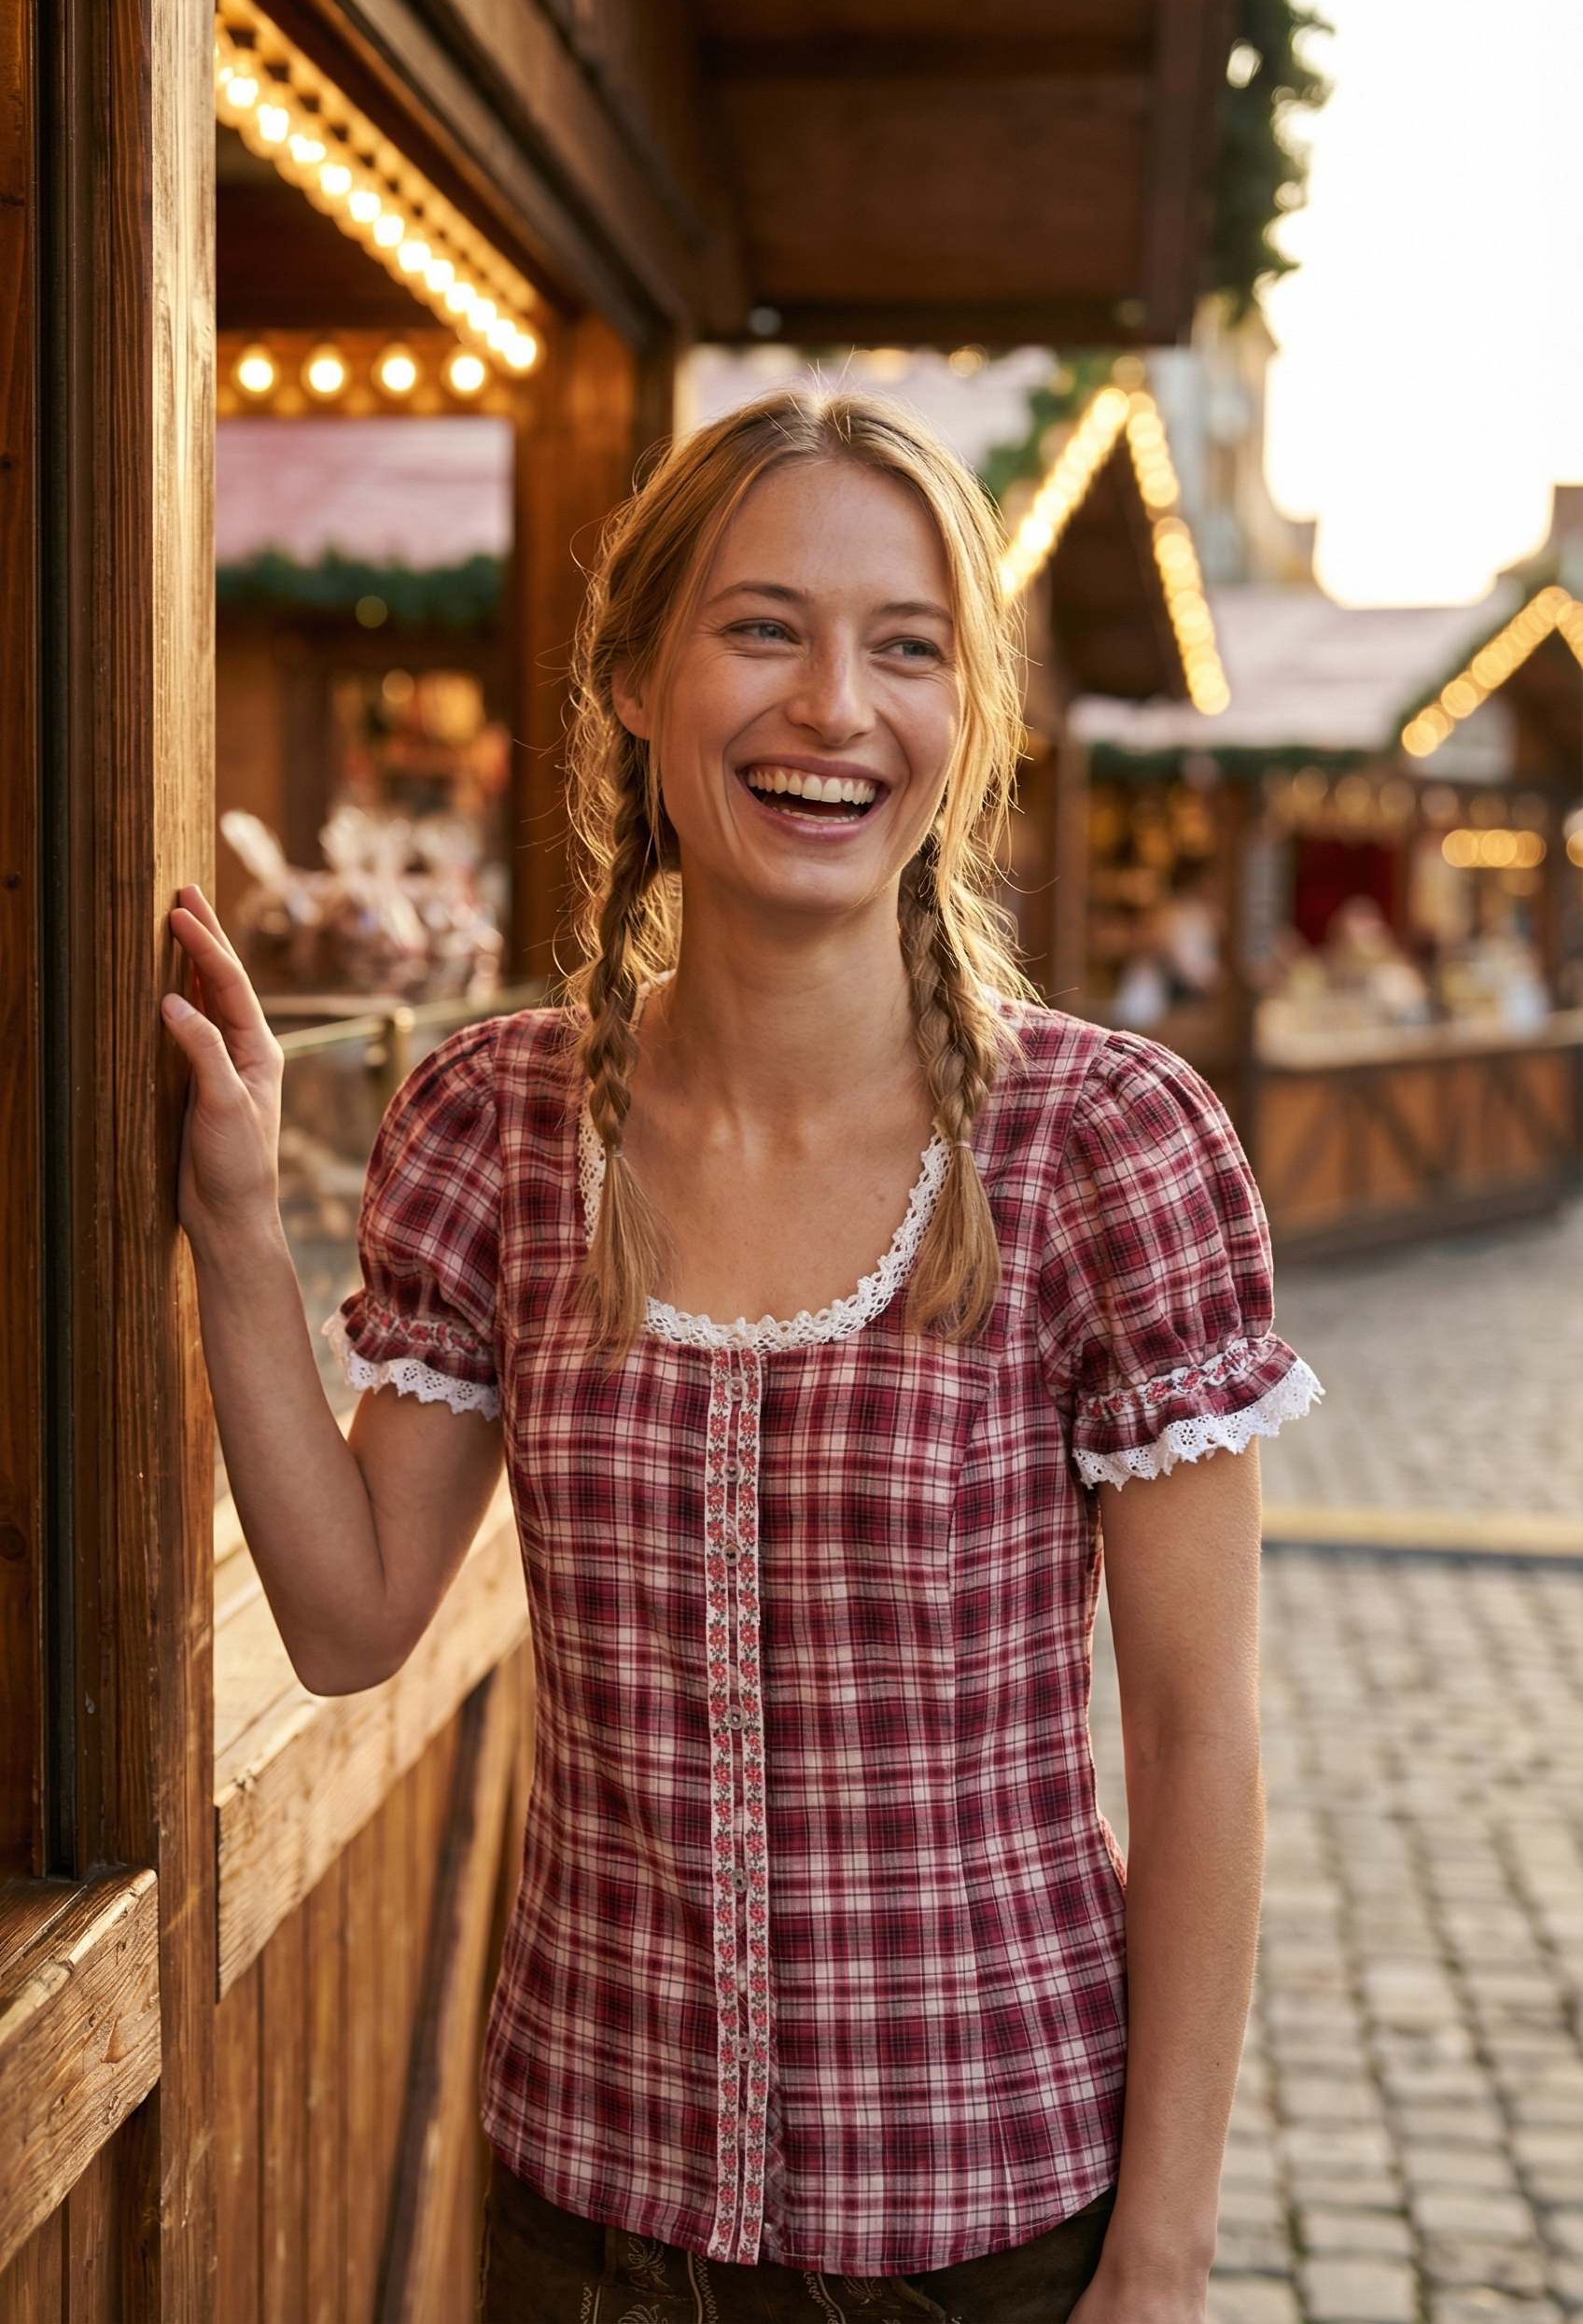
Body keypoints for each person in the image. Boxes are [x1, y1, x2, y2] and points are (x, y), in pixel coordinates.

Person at [164, 391, 1320, 2323]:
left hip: (995, 2230)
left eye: (905, 648)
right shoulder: (495, 1125)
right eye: (762, 627)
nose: (830, 709)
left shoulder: (1102, 1150)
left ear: (963, 723)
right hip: (580, 2225)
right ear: (633, 673)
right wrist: (223, 1226)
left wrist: (1163, 2248)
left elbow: (1196, 1739)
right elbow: (353, 1615)